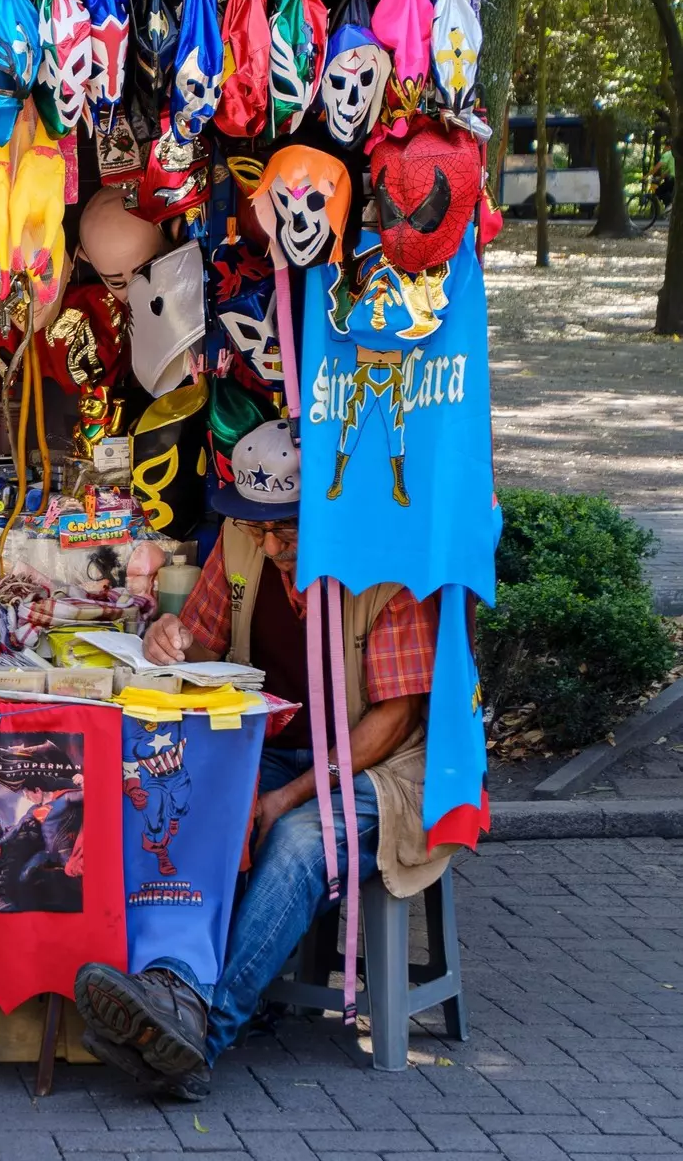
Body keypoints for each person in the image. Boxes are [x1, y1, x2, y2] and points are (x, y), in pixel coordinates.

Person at [73, 419, 449, 1100]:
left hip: (380, 770)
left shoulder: (387, 573)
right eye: (259, 527)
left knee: (303, 841)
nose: (270, 545)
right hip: (271, 745)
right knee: (182, 806)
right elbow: (202, 645)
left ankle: (197, 1036)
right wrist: (169, 635)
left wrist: (287, 796)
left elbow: (392, 722)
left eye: (287, 529)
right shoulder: (243, 548)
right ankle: (170, 983)